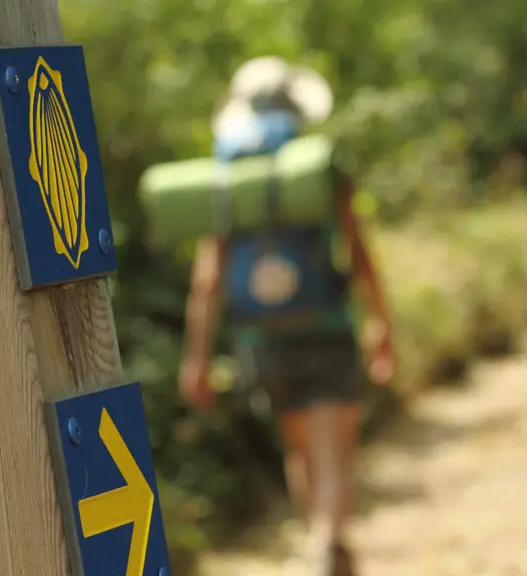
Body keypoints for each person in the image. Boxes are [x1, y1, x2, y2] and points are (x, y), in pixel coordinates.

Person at [177, 56, 395, 576]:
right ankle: (328, 540)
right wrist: (381, 322)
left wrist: (197, 358)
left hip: (262, 340)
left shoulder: (227, 175)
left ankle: (319, 540)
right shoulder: (318, 168)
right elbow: (358, 252)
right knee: (334, 451)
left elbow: (208, 280)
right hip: (327, 328)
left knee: (299, 451)